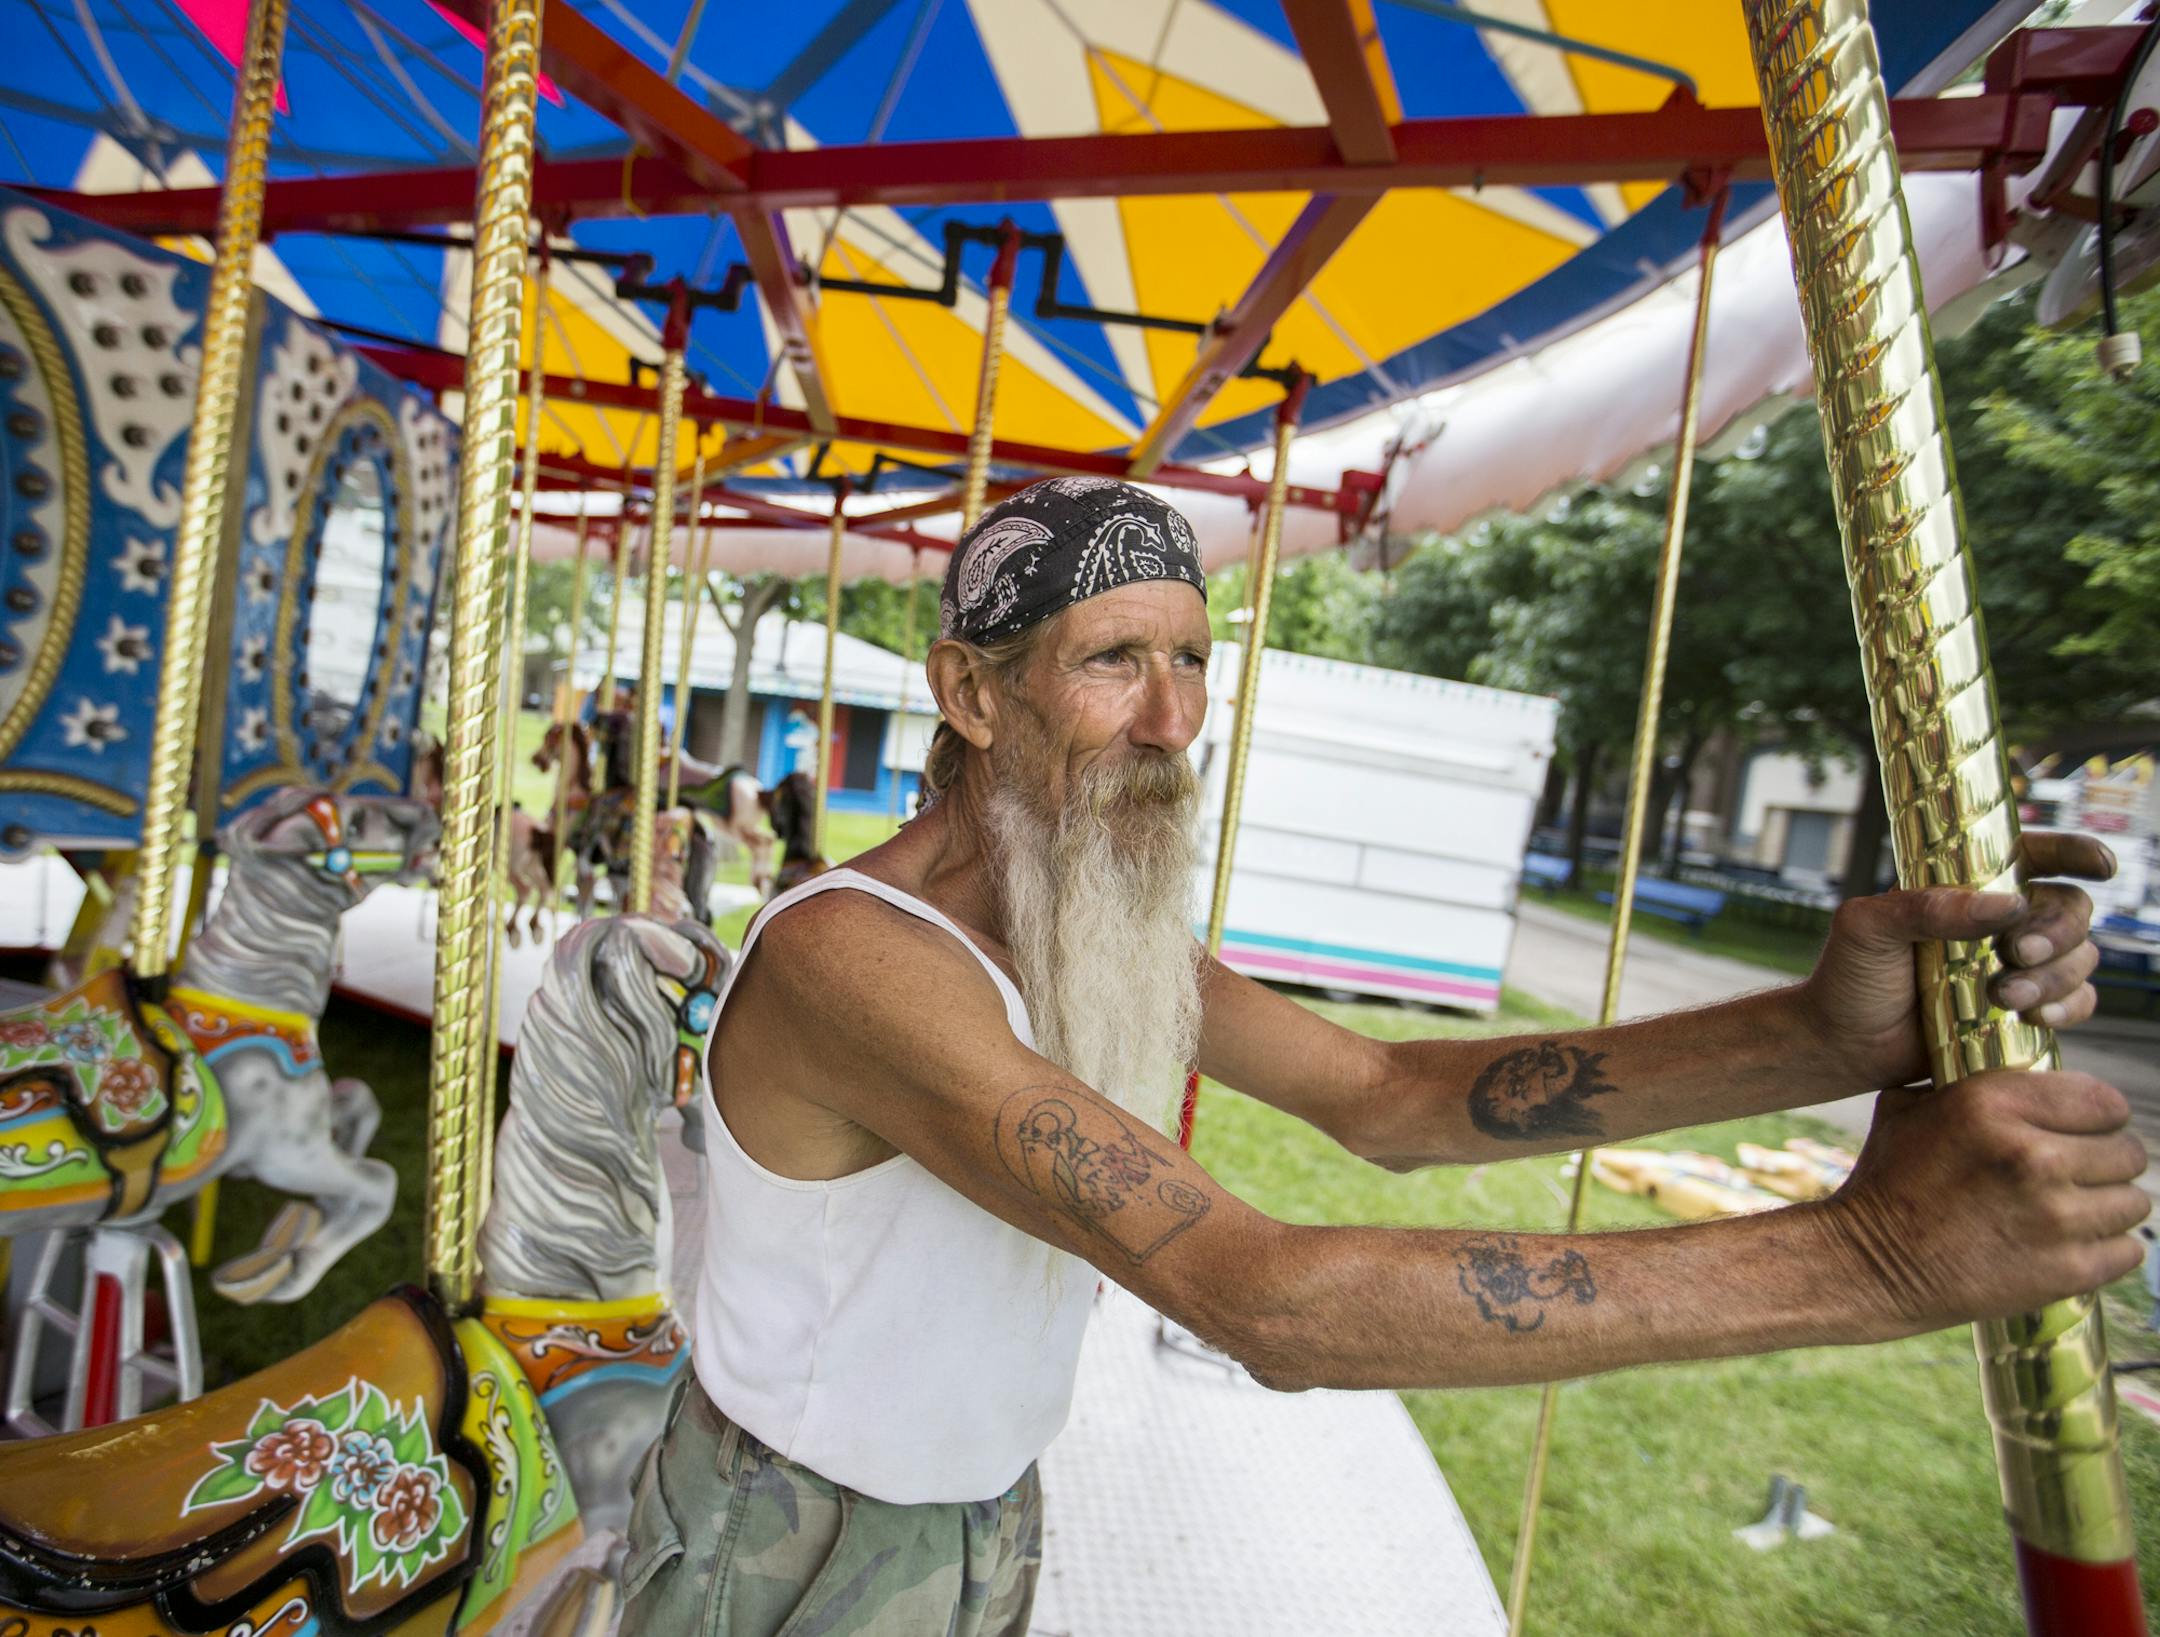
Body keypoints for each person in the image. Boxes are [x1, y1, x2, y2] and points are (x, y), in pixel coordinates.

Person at [618, 479, 2143, 1637]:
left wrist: (1813, 1035)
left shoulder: (1083, 928)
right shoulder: (855, 959)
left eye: (1195, 662)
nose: (1174, 720)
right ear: (969, 692)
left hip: (978, 1511)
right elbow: (1258, 1294)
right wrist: (1870, 1256)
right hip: (790, 1537)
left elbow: (1391, 1098)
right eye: (1113, 663)